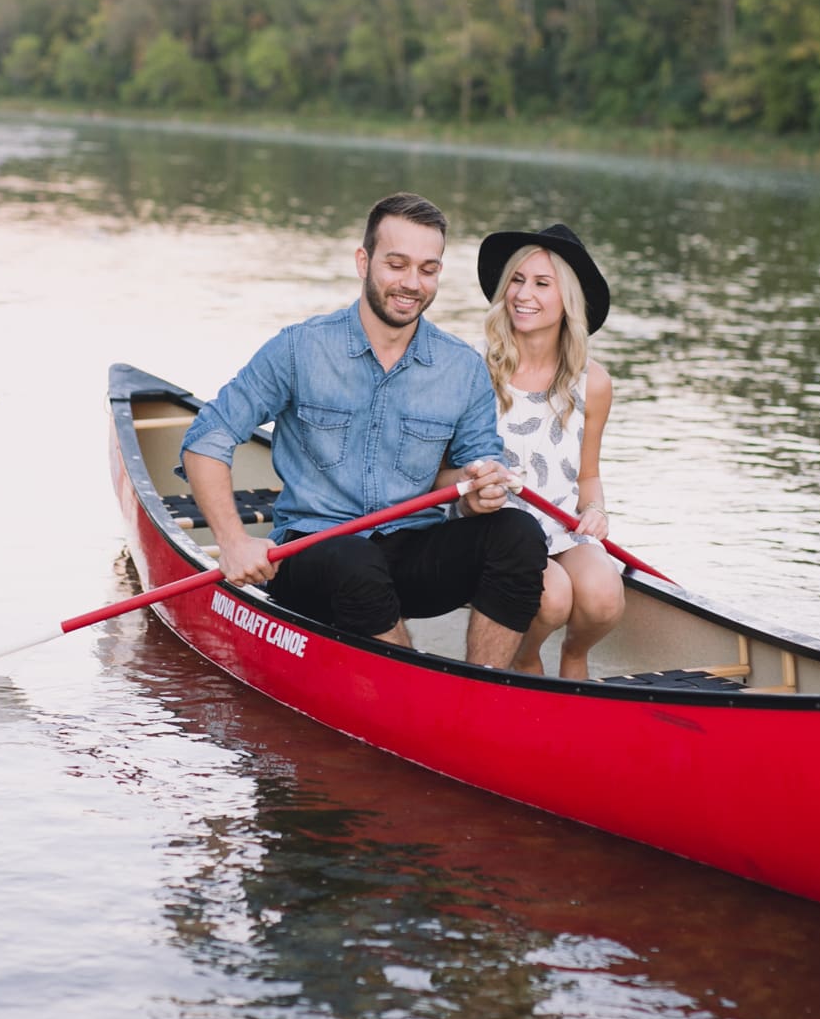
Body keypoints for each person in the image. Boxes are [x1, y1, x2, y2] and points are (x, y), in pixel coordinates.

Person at [179, 192, 547, 667]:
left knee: (518, 531)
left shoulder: (463, 368)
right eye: (397, 264)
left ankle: (482, 688)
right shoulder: (299, 349)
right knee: (353, 560)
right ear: (363, 261)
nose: (412, 283)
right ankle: (413, 690)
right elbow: (207, 438)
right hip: (314, 556)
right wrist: (232, 541)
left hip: (412, 554)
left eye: (428, 269)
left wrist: (475, 490)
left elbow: (467, 476)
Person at [474, 223, 624, 680]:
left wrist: (596, 508)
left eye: (542, 283)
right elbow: (447, 468)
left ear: (568, 300)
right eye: (517, 280)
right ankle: (523, 654)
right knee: (552, 595)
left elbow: (587, 477)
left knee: (603, 595)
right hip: (496, 527)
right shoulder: (477, 367)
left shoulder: (592, 382)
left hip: (560, 527)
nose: (523, 294)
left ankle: (575, 657)